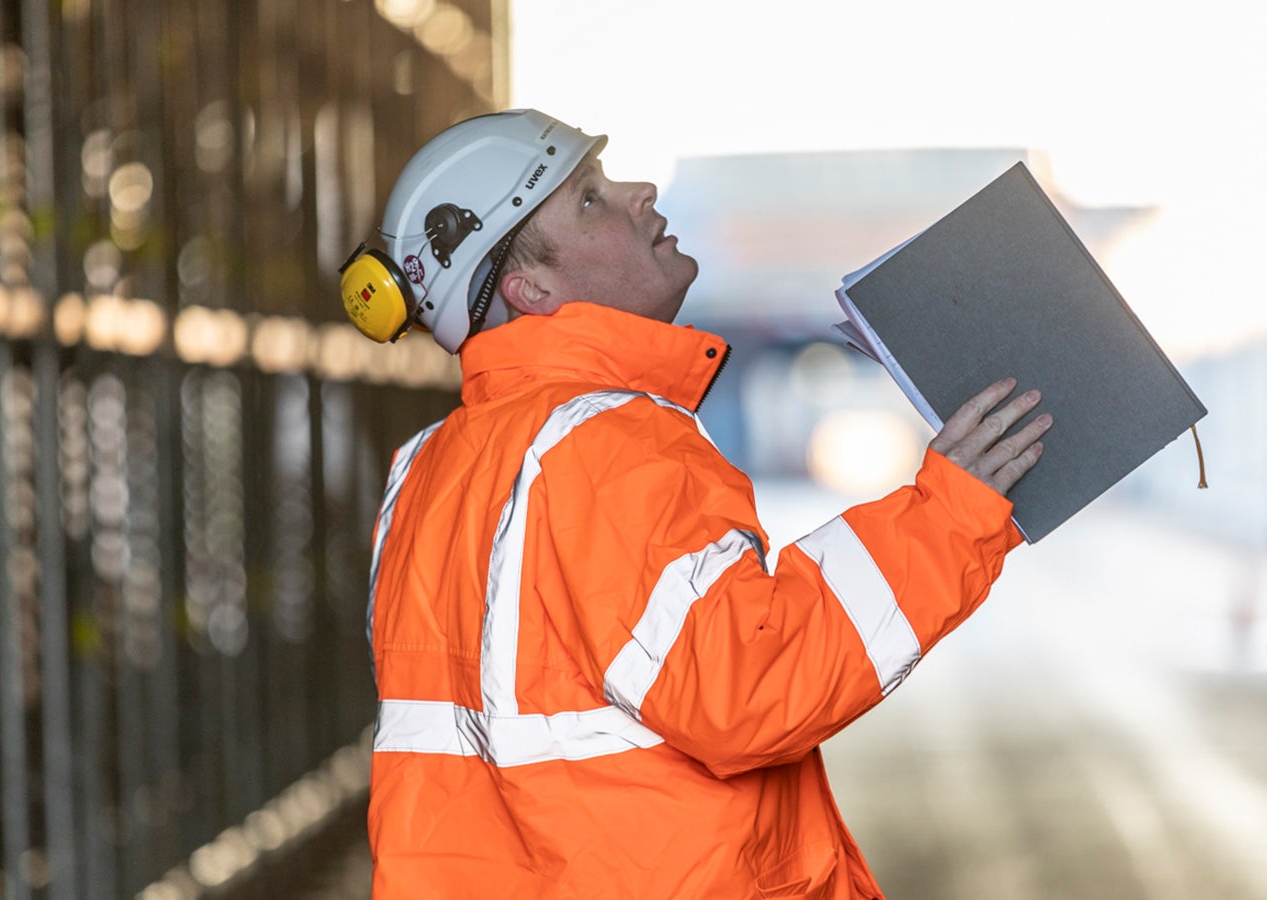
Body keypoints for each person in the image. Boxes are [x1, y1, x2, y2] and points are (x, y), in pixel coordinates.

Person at [339, 109, 1052, 899]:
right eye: (588, 199)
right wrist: (951, 513)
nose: (639, 192)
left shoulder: (426, 473)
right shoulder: (602, 443)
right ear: (529, 287)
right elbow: (746, 683)